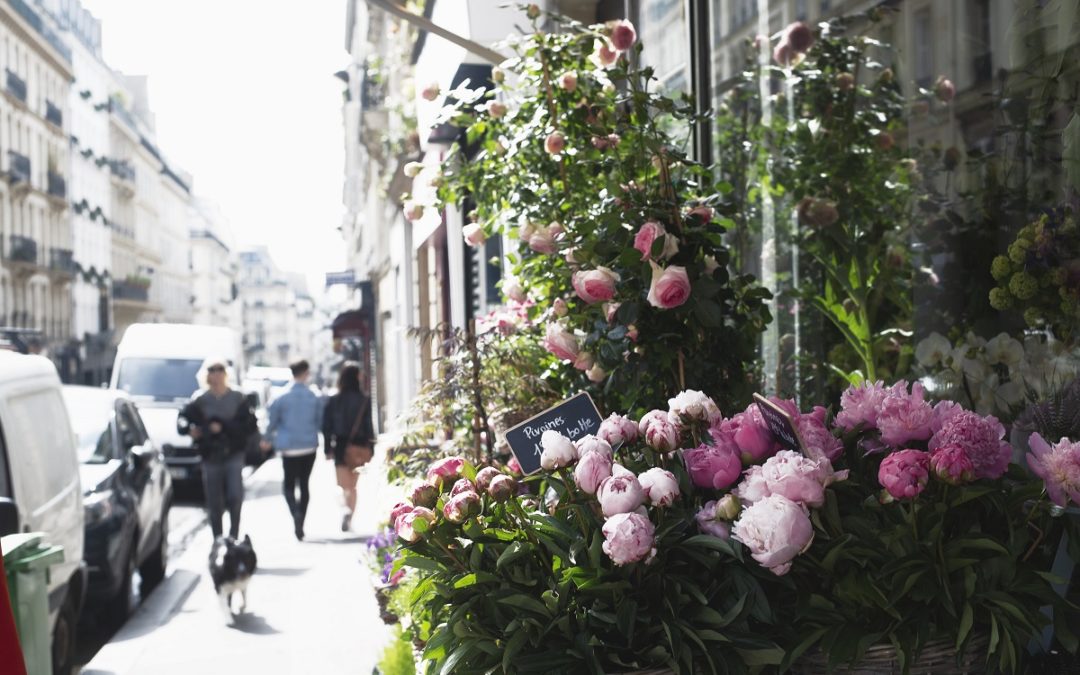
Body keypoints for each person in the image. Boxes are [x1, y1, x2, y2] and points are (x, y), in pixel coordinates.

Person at [178, 360, 256, 539]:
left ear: (226, 374)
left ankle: (233, 536)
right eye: (212, 370)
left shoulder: (237, 397)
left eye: (220, 370)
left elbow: (249, 425)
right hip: (210, 455)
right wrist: (192, 430)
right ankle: (218, 540)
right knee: (214, 501)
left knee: (235, 496)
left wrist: (223, 427)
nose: (216, 374)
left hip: (233, 453)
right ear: (206, 375)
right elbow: (183, 419)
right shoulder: (200, 399)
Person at [261, 360, 323, 540]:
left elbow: (271, 422)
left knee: (288, 485)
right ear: (306, 372)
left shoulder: (281, 397)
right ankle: (301, 521)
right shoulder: (313, 396)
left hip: (289, 448)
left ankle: (295, 513)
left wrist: (266, 439)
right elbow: (319, 422)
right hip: (309, 446)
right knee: (304, 484)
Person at [321, 362, 374, 532]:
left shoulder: (334, 400)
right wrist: (371, 448)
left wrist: (327, 448)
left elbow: (326, 426)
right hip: (359, 446)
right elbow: (368, 425)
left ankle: (344, 509)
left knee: (342, 486)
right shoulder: (364, 399)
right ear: (356, 377)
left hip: (341, 445)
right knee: (353, 486)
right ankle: (349, 516)